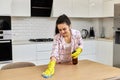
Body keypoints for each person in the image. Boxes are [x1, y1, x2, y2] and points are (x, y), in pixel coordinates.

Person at [42, 14, 83, 78]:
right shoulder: (57, 37)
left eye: (64, 29)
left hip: (71, 64)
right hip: (60, 65)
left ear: (69, 26)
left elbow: (81, 44)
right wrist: (51, 66)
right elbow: (54, 52)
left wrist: (79, 49)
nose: (62, 32)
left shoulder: (76, 33)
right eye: (60, 30)